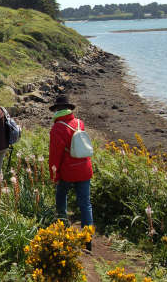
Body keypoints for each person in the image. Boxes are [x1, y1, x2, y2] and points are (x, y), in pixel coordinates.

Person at [48, 95, 93, 251]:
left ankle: (63, 229)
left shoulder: (57, 128)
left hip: (68, 170)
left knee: (61, 196)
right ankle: (88, 240)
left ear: (56, 110)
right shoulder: (80, 123)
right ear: (69, 109)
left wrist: (54, 175)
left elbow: (55, 155)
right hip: (85, 167)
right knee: (85, 204)